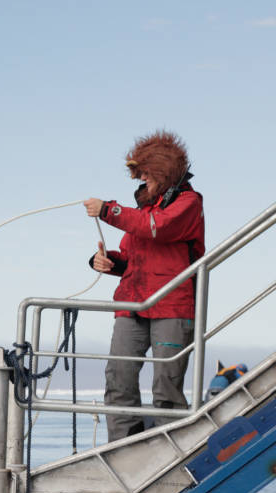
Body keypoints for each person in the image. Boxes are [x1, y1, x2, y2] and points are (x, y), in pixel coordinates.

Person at [83, 130, 205, 441]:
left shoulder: (189, 202)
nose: (143, 180)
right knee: (118, 379)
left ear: (163, 170)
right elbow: (132, 255)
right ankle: (123, 450)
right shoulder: (142, 211)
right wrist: (106, 261)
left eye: (146, 173)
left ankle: (171, 453)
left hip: (173, 306)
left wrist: (109, 210)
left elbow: (157, 229)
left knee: (166, 388)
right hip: (132, 305)